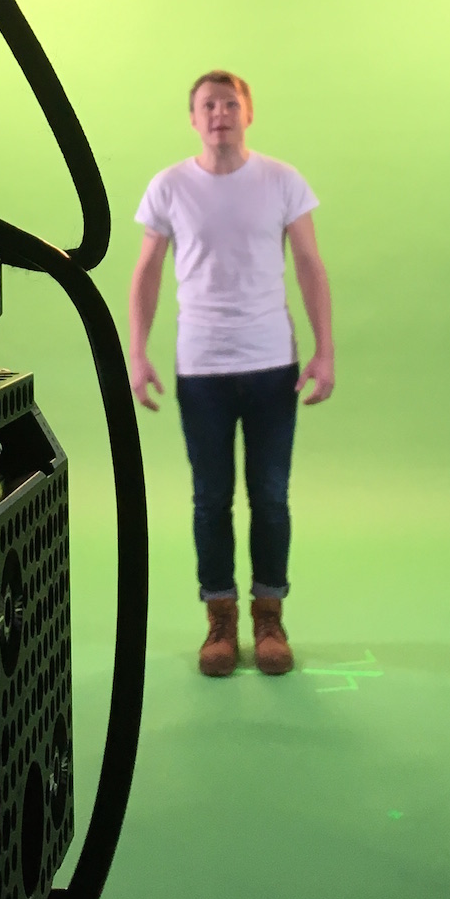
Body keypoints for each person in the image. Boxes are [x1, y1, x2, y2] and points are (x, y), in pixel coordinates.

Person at [128, 71, 334, 679]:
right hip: (202, 369)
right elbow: (146, 273)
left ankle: (270, 618)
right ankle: (220, 620)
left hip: (272, 364)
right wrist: (137, 353)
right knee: (210, 498)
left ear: (248, 113)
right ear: (194, 119)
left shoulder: (282, 180)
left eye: (229, 103)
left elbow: (310, 263)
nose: (220, 113)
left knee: (270, 497)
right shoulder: (169, 186)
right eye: (208, 105)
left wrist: (324, 351)